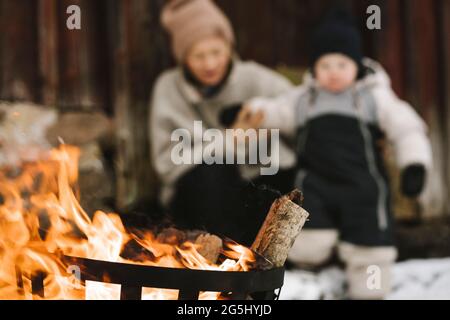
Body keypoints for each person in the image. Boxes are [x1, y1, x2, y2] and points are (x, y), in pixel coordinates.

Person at [244, 8, 432, 299]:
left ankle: (368, 288)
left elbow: (406, 126)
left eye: (342, 64)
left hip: (363, 186)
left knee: (369, 240)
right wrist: (249, 112)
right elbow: (274, 110)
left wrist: (414, 164)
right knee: (307, 235)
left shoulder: (372, 96)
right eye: (325, 64)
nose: (333, 72)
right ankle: (306, 281)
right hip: (317, 183)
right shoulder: (304, 99)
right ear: (314, 68)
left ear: (356, 65)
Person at [150, 0, 296, 246]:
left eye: (216, 53)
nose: (209, 64)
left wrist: (266, 120)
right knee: (214, 169)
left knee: (278, 174)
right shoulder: (168, 88)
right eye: (198, 56)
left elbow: (298, 112)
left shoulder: (254, 78)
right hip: (199, 200)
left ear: (229, 48)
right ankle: (219, 256)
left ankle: (267, 254)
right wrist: (229, 140)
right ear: (183, 58)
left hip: (251, 187)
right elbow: (166, 165)